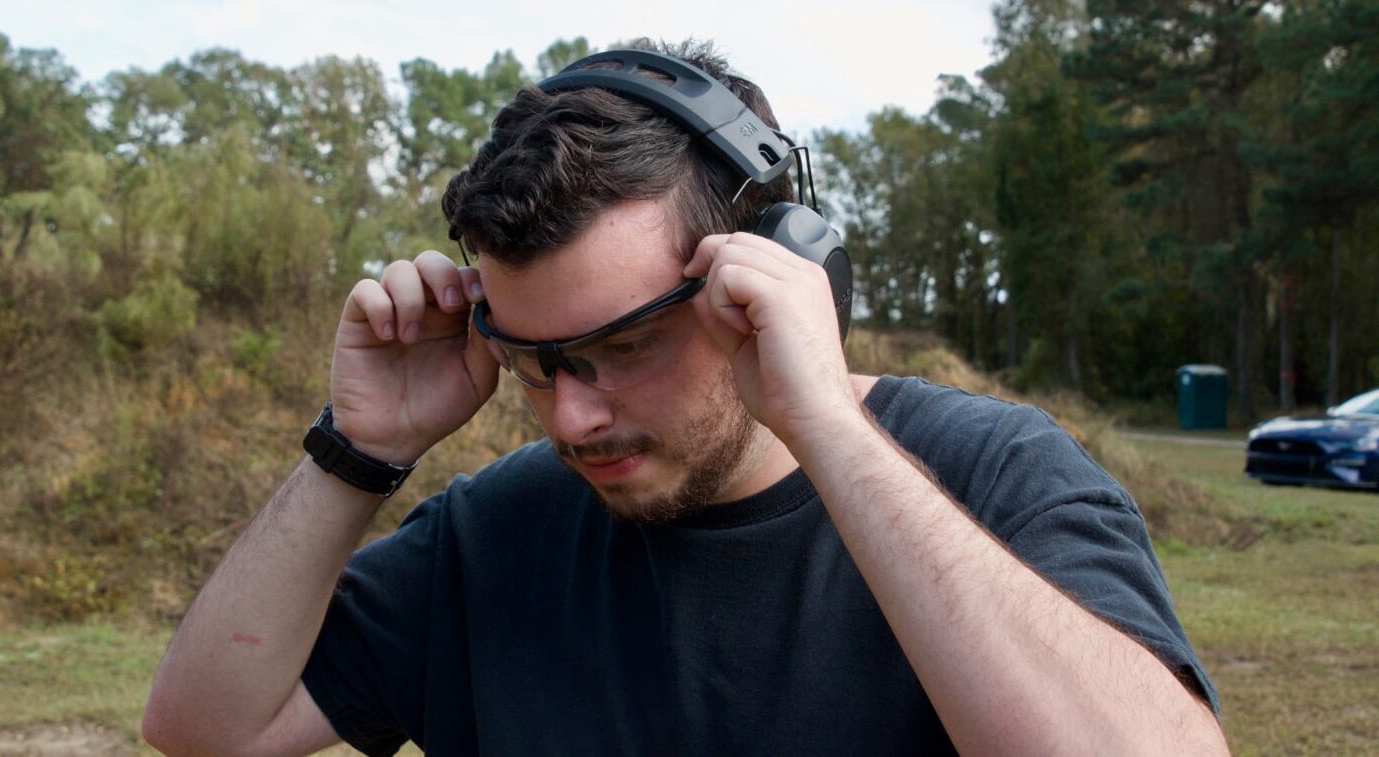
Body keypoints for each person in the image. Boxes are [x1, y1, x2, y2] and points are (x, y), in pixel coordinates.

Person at [142, 39, 1226, 755]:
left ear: (778, 280)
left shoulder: (997, 474)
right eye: (531, 361)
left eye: (628, 345)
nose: (572, 418)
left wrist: (826, 431)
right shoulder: (492, 535)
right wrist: (357, 449)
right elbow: (201, 729)